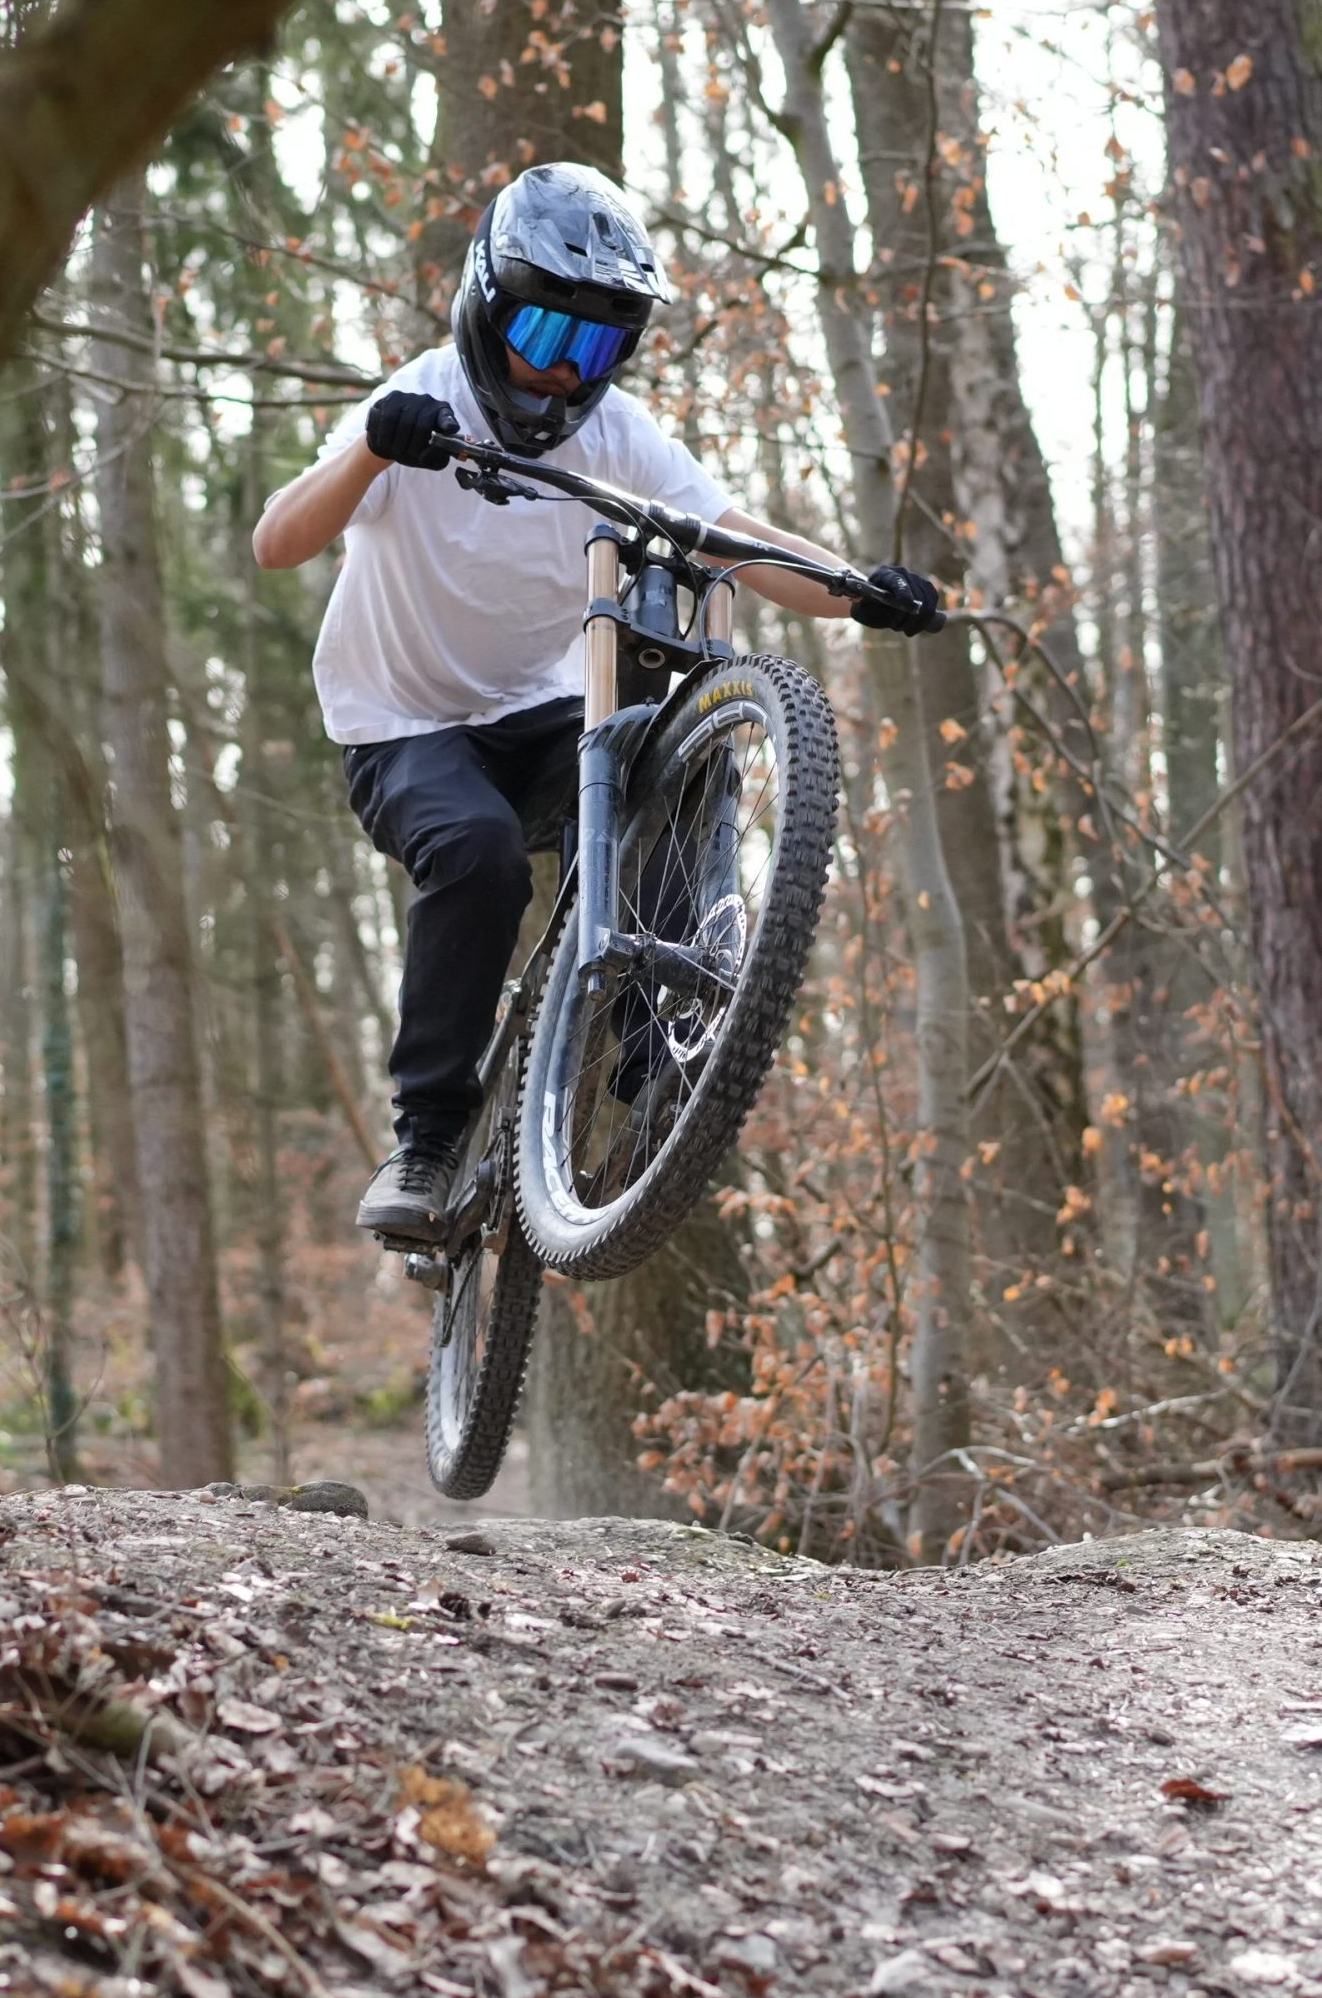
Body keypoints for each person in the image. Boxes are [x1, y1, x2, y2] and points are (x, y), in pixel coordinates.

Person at [253, 161, 939, 1240]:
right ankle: (426, 1139)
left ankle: (653, 1046)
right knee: (475, 853)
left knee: (658, 754)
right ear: (485, 307)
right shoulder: (419, 396)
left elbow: (739, 542)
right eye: (545, 337)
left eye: (597, 349)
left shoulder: (618, 439)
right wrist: (368, 452)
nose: (564, 376)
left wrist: (859, 591)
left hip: (536, 717)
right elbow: (276, 540)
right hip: (402, 729)